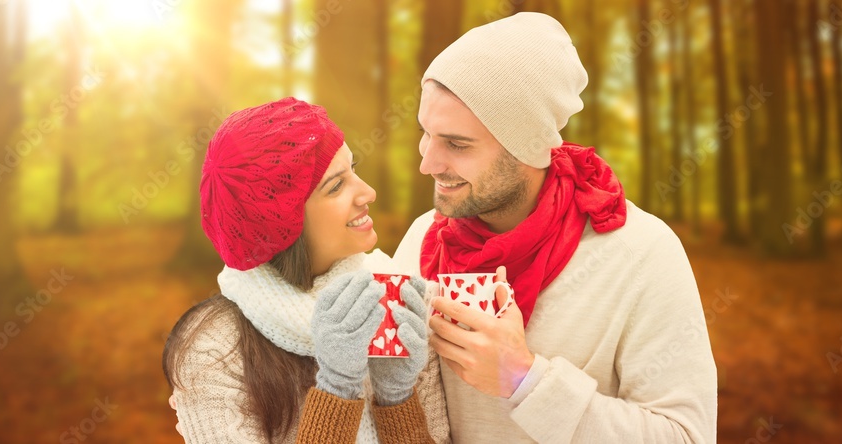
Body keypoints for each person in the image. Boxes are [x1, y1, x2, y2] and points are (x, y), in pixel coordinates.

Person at [391, 12, 718, 443]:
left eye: (457, 144)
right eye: (426, 134)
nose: (427, 163)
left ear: (526, 147)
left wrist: (526, 383)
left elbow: (687, 437)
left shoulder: (642, 254)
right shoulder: (423, 241)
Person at [163, 97, 450, 443]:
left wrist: (397, 397)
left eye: (353, 169)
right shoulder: (214, 350)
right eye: (336, 186)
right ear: (283, 223)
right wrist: (337, 388)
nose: (368, 193)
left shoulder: (398, 303)